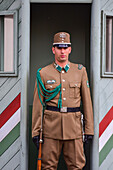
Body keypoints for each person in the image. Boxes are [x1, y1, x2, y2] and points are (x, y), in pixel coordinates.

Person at [32, 32, 94, 170]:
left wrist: (89, 129)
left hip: (74, 129)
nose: (62, 51)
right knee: (48, 166)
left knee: (77, 166)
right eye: (59, 47)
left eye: (65, 47)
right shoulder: (43, 73)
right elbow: (37, 105)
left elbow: (87, 102)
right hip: (51, 130)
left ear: (70, 49)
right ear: (53, 49)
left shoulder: (80, 71)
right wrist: (36, 132)